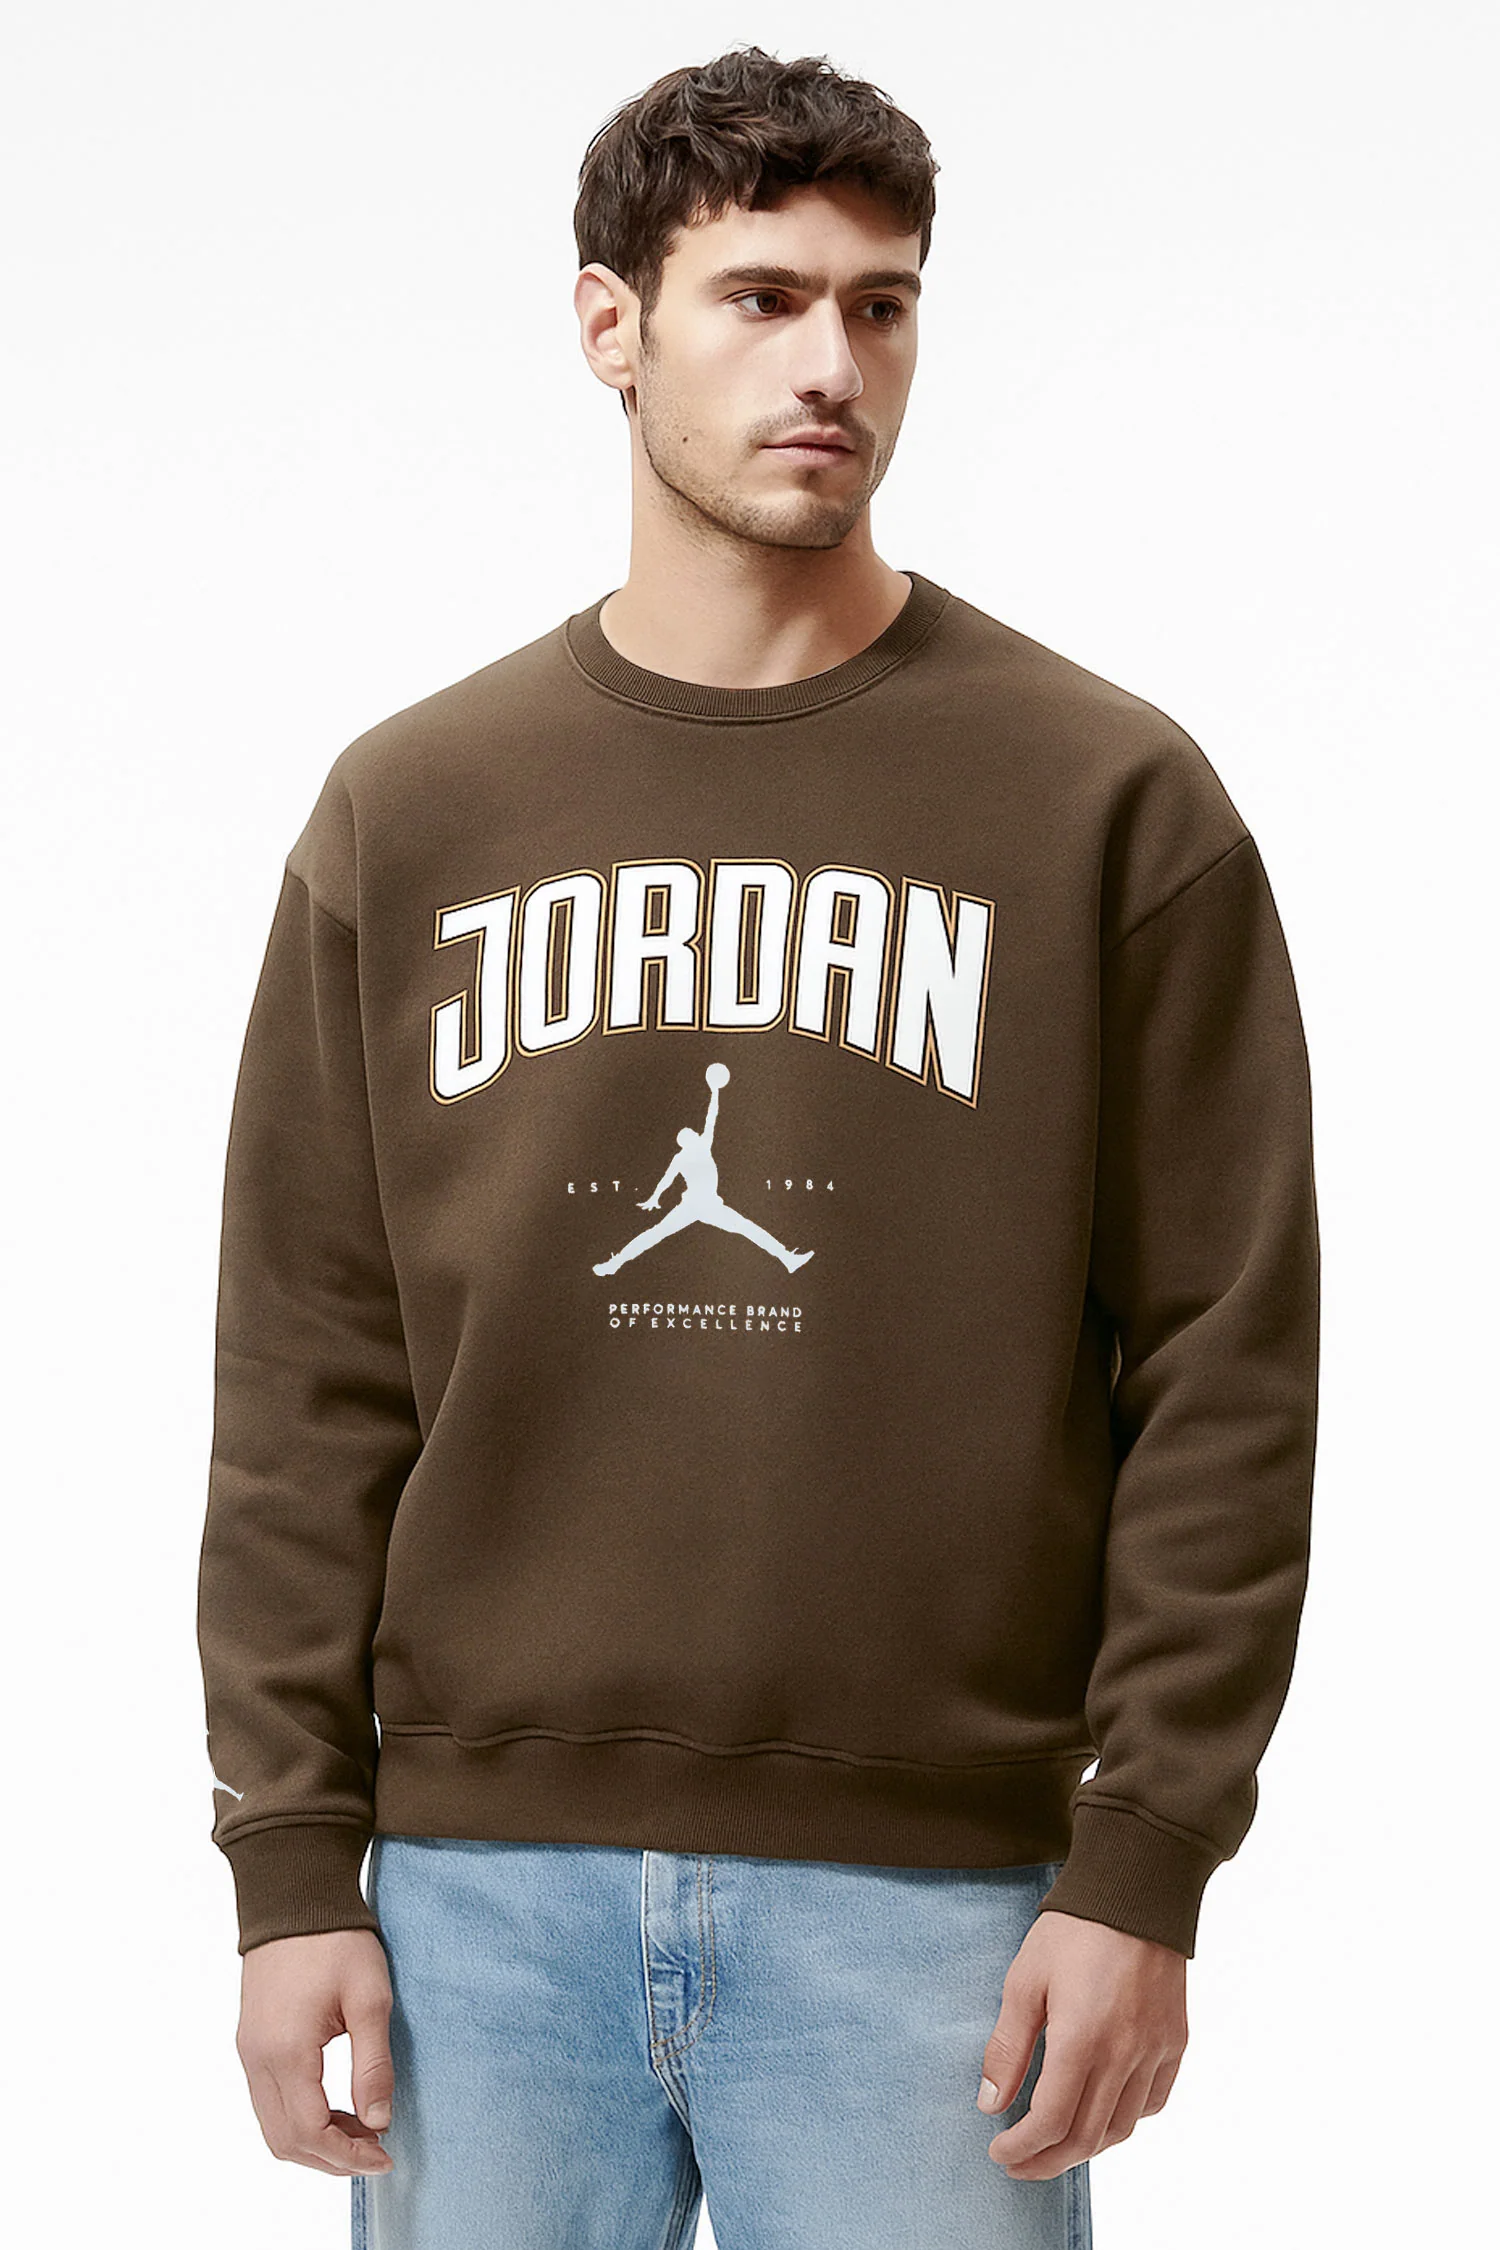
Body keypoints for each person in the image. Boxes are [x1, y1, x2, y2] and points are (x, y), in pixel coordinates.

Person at [197, 43, 1320, 2250]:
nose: (834, 363)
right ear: (610, 327)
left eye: (881, 306)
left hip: (940, 1901)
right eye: (765, 297)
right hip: (475, 1906)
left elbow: (1228, 1362)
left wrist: (1149, 1856)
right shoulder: (415, 811)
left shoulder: (1105, 802)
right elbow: (309, 1367)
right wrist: (289, 1858)